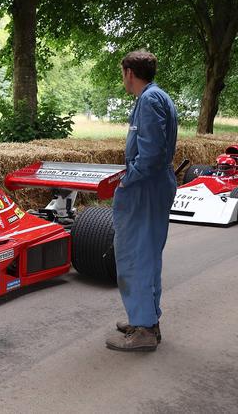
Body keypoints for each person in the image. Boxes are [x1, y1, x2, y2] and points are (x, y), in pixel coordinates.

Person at [106, 50, 178, 352]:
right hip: (154, 185)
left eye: (122, 73)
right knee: (146, 256)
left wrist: (126, 179)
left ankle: (145, 330)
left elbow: (149, 155)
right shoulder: (158, 97)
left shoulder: (149, 101)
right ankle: (145, 319)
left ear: (129, 73)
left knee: (135, 257)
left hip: (145, 188)